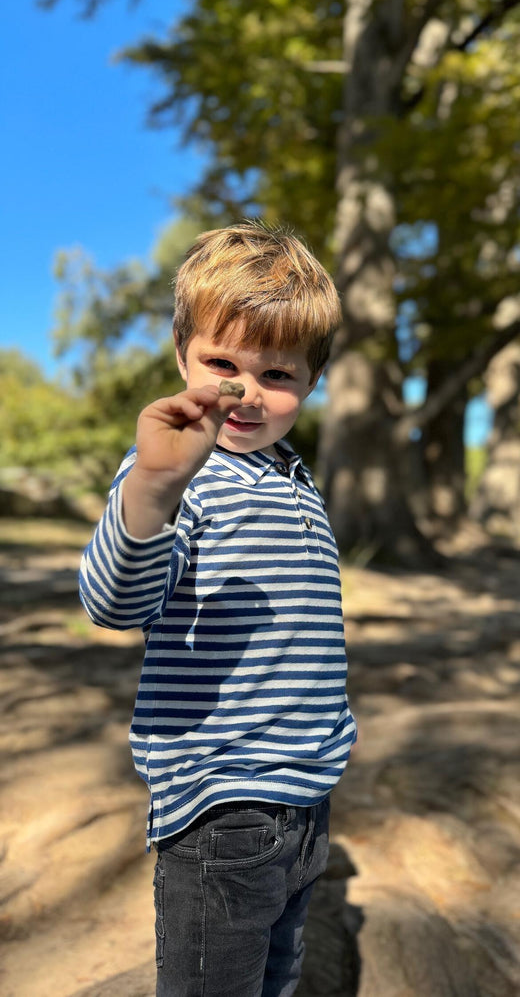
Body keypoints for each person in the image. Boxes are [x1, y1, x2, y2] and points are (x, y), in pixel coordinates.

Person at [78, 221, 357, 997]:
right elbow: (112, 601)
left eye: (277, 372)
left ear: (311, 381)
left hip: (306, 800)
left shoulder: (291, 472)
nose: (243, 391)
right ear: (182, 359)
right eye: (221, 363)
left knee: (277, 975)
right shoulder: (174, 472)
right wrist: (152, 494)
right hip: (219, 805)